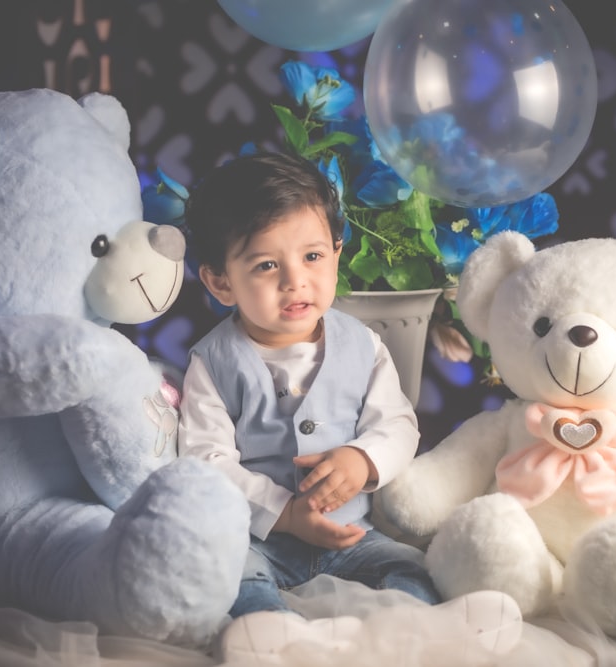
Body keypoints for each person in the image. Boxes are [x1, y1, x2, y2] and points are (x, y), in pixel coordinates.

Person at [178, 151, 521, 662]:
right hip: (257, 539)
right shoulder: (212, 362)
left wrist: (362, 460)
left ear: (338, 253)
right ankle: (279, 635)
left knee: (410, 568)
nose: (295, 281)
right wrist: (284, 512)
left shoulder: (362, 344)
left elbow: (398, 424)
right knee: (230, 580)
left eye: (312, 257)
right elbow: (206, 463)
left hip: (351, 532)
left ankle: (415, 630)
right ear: (221, 281)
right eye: (267, 265)